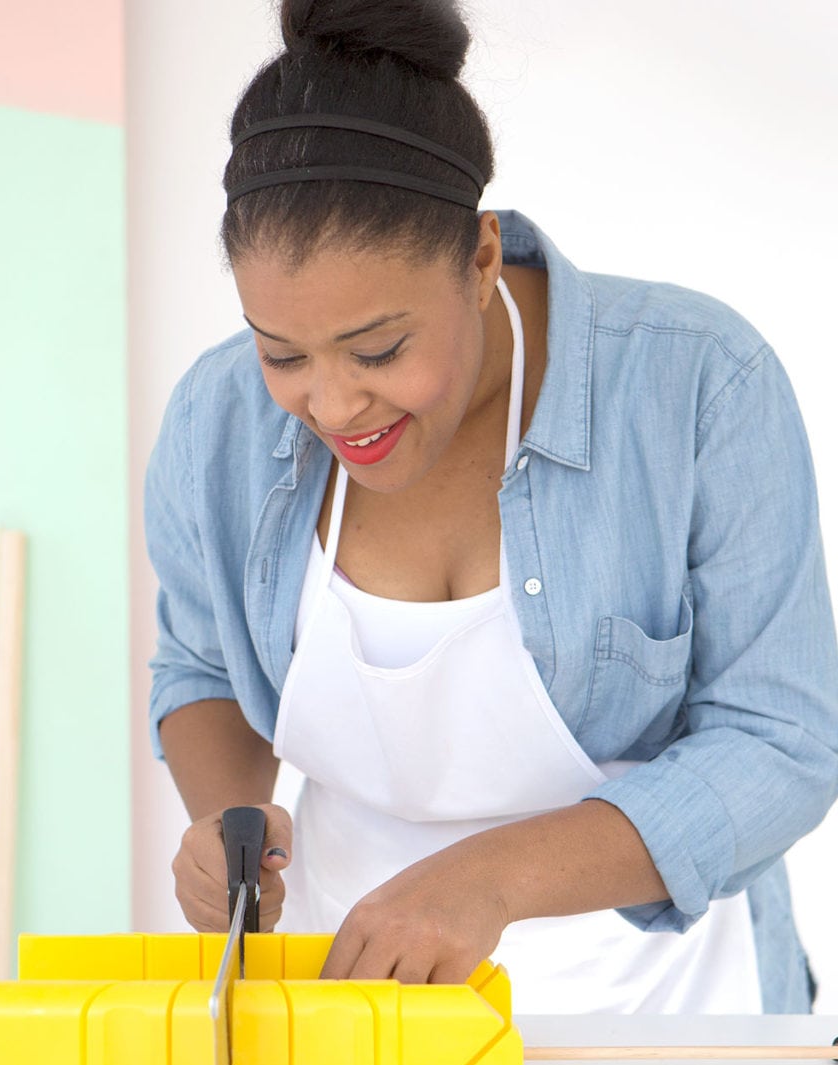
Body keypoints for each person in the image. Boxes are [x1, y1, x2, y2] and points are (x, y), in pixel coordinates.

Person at [144, 0, 838, 1013]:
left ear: (477, 258)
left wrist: (489, 878)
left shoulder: (699, 385)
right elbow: (199, 663)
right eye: (282, 353)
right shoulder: (216, 416)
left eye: (378, 350)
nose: (332, 405)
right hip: (357, 996)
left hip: (663, 1013)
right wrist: (226, 823)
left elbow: (780, 741)